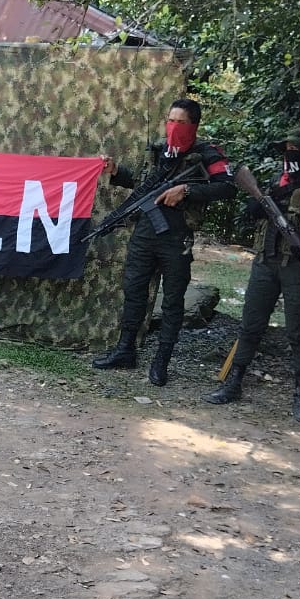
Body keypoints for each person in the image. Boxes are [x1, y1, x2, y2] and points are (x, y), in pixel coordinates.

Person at [205, 127, 300, 422]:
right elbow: (250, 212)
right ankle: (233, 383)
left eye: (295, 149)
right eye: (287, 149)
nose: (290, 155)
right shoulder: (275, 181)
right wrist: (256, 204)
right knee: (250, 325)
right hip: (266, 262)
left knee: (299, 331)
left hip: (299, 268)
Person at [92, 98, 236, 386]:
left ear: (194, 125)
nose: (173, 127)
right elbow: (146, 185)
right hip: (145, 233)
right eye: (170, 120)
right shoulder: (160, 151)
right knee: (134, 292)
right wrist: (117, 172)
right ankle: (125, 351)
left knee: (172, 301)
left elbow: (228, 187)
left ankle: (161, 363)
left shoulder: (207, 153)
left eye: (180, 122)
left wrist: (187, 190)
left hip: (176, 235)